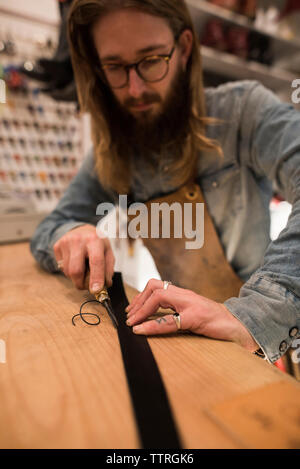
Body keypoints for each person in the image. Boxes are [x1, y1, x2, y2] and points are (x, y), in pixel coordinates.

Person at [30, 0, 300, 365]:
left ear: (185, 47)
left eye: (151, 59)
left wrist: (254, 315)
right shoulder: (115, 151)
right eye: (114, 67)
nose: (135, 88)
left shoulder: (243, 112)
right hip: (192, 346)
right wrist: (72, 232)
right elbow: (50, 227)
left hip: (261, 346)